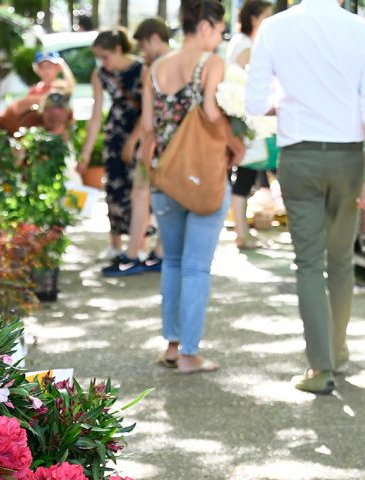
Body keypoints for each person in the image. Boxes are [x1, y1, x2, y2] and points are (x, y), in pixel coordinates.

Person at [246, 0, 365, 394]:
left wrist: (289, 102)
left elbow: (255, 103)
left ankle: (320, 368)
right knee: (341, 262)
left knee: (308, 264)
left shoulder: (275, 28)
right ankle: (338, 353)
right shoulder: (363, 31)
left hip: (299, 155)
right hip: (348, 158)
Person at [142, 0, 244, 373]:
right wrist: (236, 143)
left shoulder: (154, 68)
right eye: (218, 31)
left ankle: (171, 345)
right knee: (197, 267)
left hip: (165, 176)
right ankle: (189, 354)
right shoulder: (210, 63)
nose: (218, 39)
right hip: (203, 177)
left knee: (171, 260)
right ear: (204, 26)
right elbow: (213, 114)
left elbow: (149, 127)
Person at [102, 17, 171, 276]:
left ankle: (138, 255)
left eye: (142, 45)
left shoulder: (159, 66)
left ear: (154, 38)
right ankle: (146, 253)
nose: (141, 52)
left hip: (156, 142)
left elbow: (150, 115)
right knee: (146, 195)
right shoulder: (165, 64)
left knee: (146, 195)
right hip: (158, 141)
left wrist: (141, 144)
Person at [78, 29, 144, 261]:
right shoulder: (100, 74)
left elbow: (148, 111)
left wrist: (134, 140)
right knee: (114, 190)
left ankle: (139, 243)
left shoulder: (142, 69)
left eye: (105, 56)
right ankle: (115, 244)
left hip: (140, 132)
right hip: (115, 133)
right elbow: (95, 116)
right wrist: (85, 154)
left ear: (118, 50)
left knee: (139, 189)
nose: (102, 62)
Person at [226, 0, 273, 249]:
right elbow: (244, 82)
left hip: (243, 118)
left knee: (245, 174)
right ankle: (242, 233)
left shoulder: (241, 41)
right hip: (245, 121)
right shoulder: (245, 44)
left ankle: (242, 231)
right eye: (266, 15)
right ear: (254, 18)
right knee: (244, 175)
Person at [0, 90, 73, 138]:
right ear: (42, 112)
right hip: (7, 128)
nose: (55, 127)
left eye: (59, 122)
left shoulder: (69, 113)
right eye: (51, 121)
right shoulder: (28, 117)